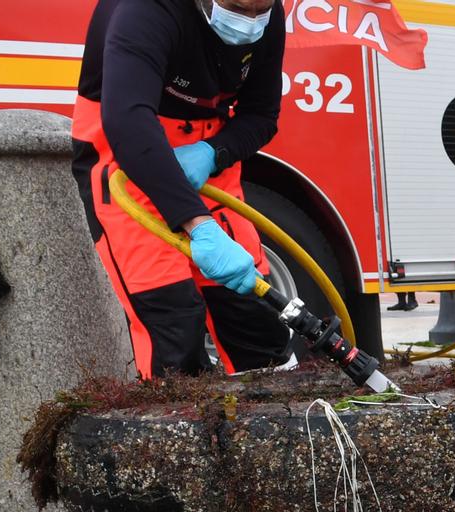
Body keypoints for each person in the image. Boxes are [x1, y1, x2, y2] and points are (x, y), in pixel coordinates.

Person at [71, 0, 294, 380]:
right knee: (174, 326)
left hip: (206, 160)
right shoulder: (145, 11)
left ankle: (277, 426)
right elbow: (128, 120)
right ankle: (175, 431)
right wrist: (199, 225)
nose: (251, 21)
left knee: (253, 313)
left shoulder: (266, 15)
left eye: (261, 10)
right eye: (239, 7)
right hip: (127, 165)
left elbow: (262, 114)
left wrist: (214, 152)